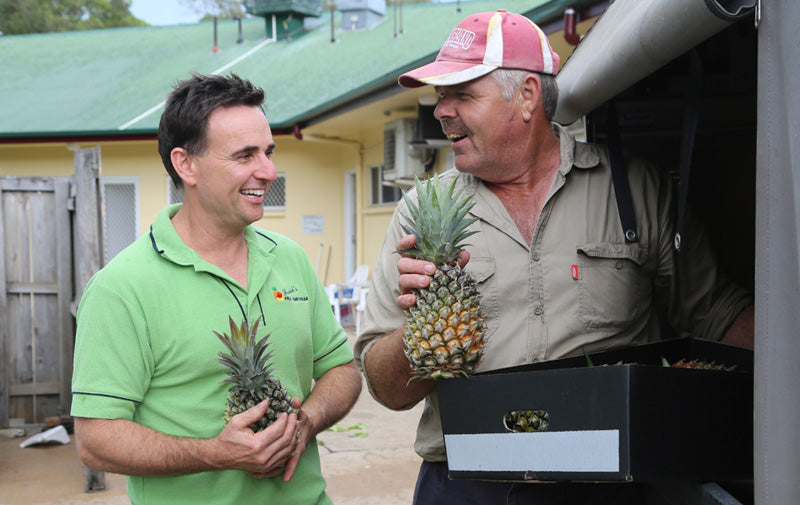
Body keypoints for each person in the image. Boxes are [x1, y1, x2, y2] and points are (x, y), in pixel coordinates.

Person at [354, 9, 754, 505]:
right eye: (441, 95)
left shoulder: (633, 190)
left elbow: (715, 314)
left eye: (462, 94)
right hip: (468, 484)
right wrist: (420, 332)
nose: (441, 110)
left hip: (612, 483)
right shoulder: (423, 211)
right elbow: (385, 389)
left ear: (525, 98)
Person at [71, 73, 362, 505]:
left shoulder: (290, 259)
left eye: (268, 152)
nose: (267, 171)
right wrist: (214, 454)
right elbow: (96, 439)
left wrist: (308, 419)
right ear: (186, 164)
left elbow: (342, 371)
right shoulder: (122, 287)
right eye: (244, 156)